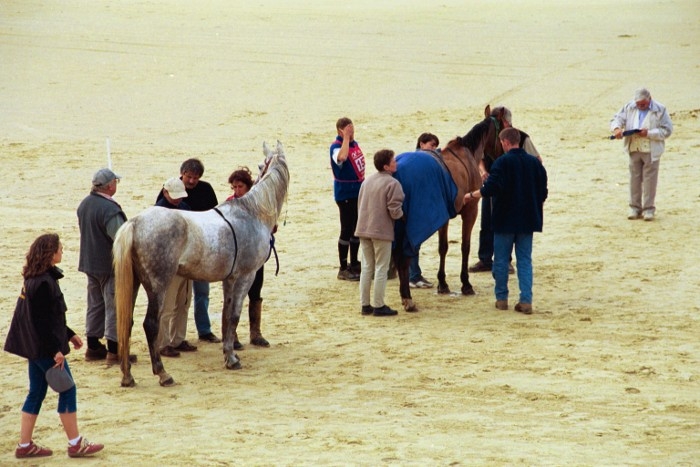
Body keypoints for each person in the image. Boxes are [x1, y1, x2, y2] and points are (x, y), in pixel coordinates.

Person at [4, 233, 104, 459]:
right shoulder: (43, 282)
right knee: (67, 389)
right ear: (50, 253)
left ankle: (24, 445)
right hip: (44, 349)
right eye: (60, 248)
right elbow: (41, 323)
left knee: (36, 392)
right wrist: (55, 351)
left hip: (34, 347)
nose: (62, 251)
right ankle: (75, 443)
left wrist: (69, 334)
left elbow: (47, 318)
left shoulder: (34, 279)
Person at [465, 128, 548, 314]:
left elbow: (490, 188)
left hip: (504, 219)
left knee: (501, 260)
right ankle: (526, 300)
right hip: (528, 219)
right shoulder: (534, 164)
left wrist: (471, 195)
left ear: (505, 142)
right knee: (524, 260)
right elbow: (543, 192)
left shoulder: (501, 162)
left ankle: (501, 298)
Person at [469, 106, 542, 274]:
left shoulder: (522, 137)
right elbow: (480, 158)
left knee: (506, 223)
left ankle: (506, 260)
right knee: (486, 222)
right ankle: (485, 259)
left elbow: (537, 160)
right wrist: (483, 171)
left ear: (505, 122)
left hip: (511, 187)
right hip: (491, 183)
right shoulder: (487, 137)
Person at [157, 158, 221, 343]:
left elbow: (214, 217)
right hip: (177, 258)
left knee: (197, 295)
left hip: (200, 252)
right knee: (171, 302)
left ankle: (201, 331)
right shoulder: (167, 195)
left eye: (196, 177)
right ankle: (166, 341)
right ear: (182, 174)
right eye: (189, 177)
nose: (192, 181)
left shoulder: (204, 191)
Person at [77, 168, 133, 364]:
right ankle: (114, 350)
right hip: (108, 265)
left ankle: (93, 346)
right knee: (113, 306)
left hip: (89, 262)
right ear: (110, 186)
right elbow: (120, 238)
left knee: (95, 305)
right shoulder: (109, 209)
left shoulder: (85, 203)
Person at [226, 167, 273, 349]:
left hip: (254, 257)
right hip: (236, 259)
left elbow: (271, 226)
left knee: (255, 293)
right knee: (233, 296)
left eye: (240, 187)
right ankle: (232, 334)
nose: (237, 191)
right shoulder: (230, 204)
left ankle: (255, 333)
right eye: (234, 187)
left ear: (248, 187)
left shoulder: (258, 204)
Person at [610, 87, 673, 221]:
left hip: (651, 150)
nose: (640, 106)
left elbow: (667, 130)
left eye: (643, 104)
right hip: (634, 148)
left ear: (650, 99)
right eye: (638, 104)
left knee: (650, 180)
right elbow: (617, 119)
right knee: (634, 179)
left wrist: (649, 133)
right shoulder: (629, 107)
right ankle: (634, 208)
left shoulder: (660, 109)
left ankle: (649, 209)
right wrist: (616, 129)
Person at [355, 149, 405, 317]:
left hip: (363, 228)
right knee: (381, 267)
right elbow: (394, 210)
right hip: (381, 231)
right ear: (386, 166)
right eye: (393, 161)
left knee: (367, 267)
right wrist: (403, 216)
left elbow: (360, 203)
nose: (396, 163)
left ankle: (365, 304)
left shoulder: (367, 181)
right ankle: (379, 305)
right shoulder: (393, 183)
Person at [155, 177, 197, 358]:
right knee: (168, 306)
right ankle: (163, 343)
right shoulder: (158, 212)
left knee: (183, 303)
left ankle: (178, 339)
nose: (178, 199)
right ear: (165, 192)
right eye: (174, 196)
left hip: (186, 263)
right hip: (170, 267)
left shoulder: (185, 207)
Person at [330, 117, 365, 281]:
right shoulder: (336, 147)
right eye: (348, 130)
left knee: (356, 229)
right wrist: (345, 137)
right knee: (346, 229)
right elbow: (342, 157)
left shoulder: (354, 144)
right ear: (341, 131)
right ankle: (343, 268)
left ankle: (354, 262)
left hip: (357, 192)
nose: (352, 133)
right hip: (345, 194)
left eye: (352, 130)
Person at [408, 132, 440, 289]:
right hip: (416, 207)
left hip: (415, 206)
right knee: (414, 242)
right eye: (431, 145)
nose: (434, 149)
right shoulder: (421, 160)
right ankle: (413, 276)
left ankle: (413, 274)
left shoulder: (414, 159)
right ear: (421, 144)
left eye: (435, 146)